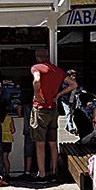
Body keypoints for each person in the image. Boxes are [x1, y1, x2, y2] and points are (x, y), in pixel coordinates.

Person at [30, 49, 77, 181]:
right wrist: (59, 94)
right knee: (52, 142)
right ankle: (54, 171)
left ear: (37, 57)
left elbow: (37, 79)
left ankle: (42, 173)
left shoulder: (36, 68)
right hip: (53, 109)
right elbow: (73, 84)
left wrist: (37, 93)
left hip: (40, 109)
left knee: (40, 143)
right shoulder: (58, 71)